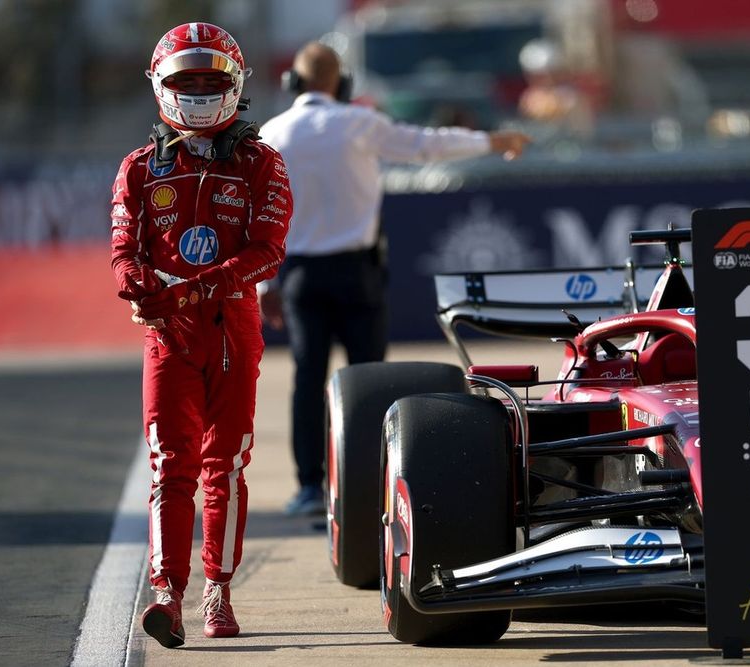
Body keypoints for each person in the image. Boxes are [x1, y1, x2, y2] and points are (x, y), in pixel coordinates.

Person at [259, 42, 530, 516]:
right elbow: (428, 144)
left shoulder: (273, 133)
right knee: (371, 381)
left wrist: (265, 285)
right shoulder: (359, 123)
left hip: (300, 274)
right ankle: (370, 483)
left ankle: (308, 487)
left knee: (307, 377)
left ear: (293, 84)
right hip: (357, 271)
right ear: (341, 83)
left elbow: (260, 215)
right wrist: (492, 140)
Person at [110, 22, 291, 648]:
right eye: (185, 81)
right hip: (169, 333)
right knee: (171, 464)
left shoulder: (261, 161)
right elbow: (122, 250)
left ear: (235, 86)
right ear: (160, 86)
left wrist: (191, 286)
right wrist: (138, 289)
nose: (195, 92)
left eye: (209, 81)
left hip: (233, 325)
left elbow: (268, 252)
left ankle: (219, 587)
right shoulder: (139, 166)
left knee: (228, 465)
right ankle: (168, 593)